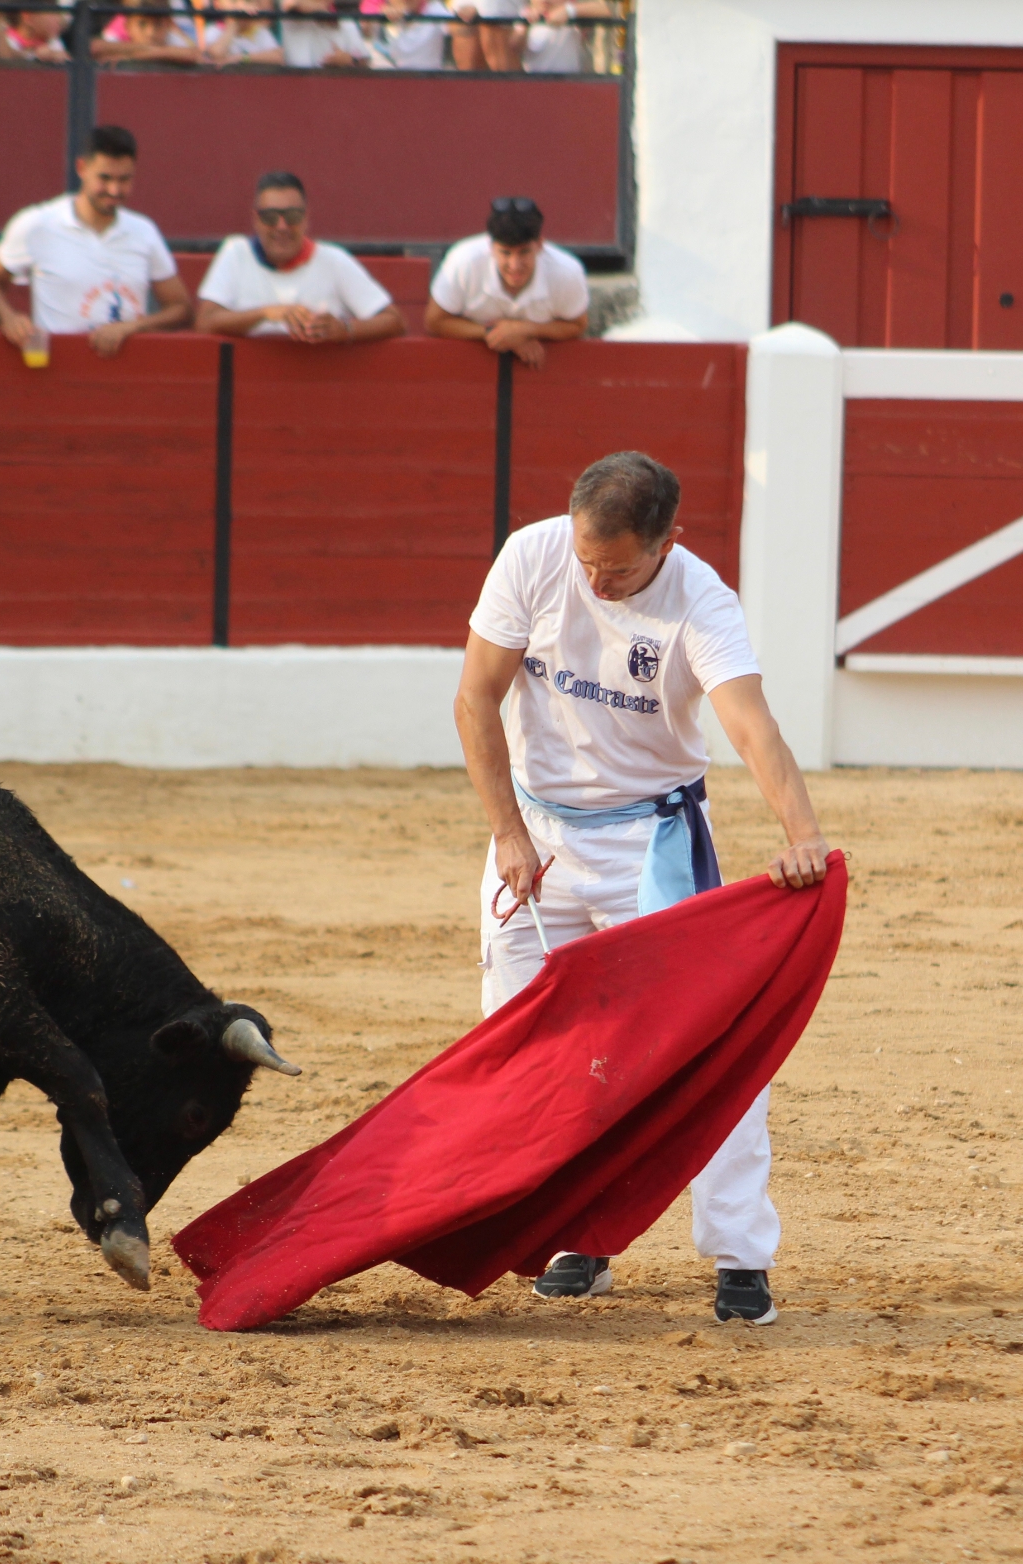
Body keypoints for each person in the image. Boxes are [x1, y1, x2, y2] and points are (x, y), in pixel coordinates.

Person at [454, 450, 832, 1326]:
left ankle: (741, 1254)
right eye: (587, 560)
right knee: (529, 1044)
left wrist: (802, 834)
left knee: (709, 1047)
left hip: (650, 845)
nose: (596, 581)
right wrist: (507, 831)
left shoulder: (702, 601)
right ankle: (574, 1237)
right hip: (536, 838)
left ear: (668, 543)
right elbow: (476, 698)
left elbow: (750, 725)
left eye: (617, 569)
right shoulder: (533, 556)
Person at [0, 125, 191, 360]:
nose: (114, 190)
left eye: (124, 179)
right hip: (56, 370)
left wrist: (132, 327)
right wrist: (9, 318)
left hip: (129, 372)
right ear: (82, 168)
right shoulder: (37, 224)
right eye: (105, 178)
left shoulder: (144, 231)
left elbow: (180, 308)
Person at [196, 172, 406, 343]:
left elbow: (395, 321)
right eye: (270, 217)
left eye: (292, 216)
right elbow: (205, 322)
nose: (281, 227)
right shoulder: (236, 253)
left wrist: (345, 330)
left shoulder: (333, 260)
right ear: (256, 220)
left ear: (306, 219)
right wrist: (267, 313)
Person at [425, 196, 588, 367]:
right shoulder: (463, 262)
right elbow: (434, 321)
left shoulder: (566, 271)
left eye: (524, 252)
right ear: (491, 246)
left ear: (540, 245)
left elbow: (578, 325)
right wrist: (497, 334)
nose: (515, 265)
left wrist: (523, 329)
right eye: (505, 253)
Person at [92, 4, 201, 64]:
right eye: (142, 24)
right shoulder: (114, 37)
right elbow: (95, 47)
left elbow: (193, 55)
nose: (150, 32)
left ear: (168, 24)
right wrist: (161, 52)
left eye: (158, 24)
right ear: (128, 26)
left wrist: (130, 56)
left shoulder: (175, 38)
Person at [280, 0, 369, 67]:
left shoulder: (345, 22)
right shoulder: (283, 21)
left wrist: (349, 60)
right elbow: (290, 4)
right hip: (292, 82)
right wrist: (319, 11)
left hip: (332, 83)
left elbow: (364, 62)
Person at [375, 0, 451, 70]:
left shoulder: (435, 9)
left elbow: (453, 27)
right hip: (395, 76)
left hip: (429, 76)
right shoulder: (387, 12)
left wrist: (459, 17)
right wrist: (384, 16)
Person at [203, 0, 283, 66]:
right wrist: (233, 26)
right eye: (233, 1)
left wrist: (242, 58)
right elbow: (215, 54)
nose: (241, 6)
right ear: (218, 4)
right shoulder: (213, 31)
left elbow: (278, 57)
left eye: (247, 1)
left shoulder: (260, 32)